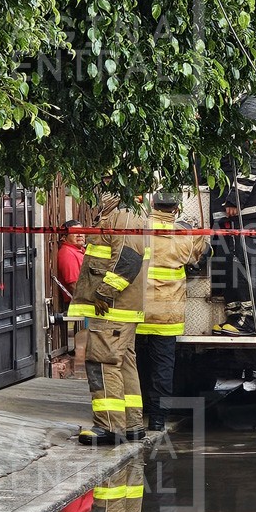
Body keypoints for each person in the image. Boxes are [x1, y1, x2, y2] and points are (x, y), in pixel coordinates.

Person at [67, 190, 150, 446]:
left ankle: (109, 427)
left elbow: (128, 258)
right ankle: (131, 423)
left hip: (112, 307)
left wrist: (105, 291)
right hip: (117, 307)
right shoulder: (118, 211)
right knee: (123, 363)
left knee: (102, 363)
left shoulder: (124, 213)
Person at [136, 192, 208, 431]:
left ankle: (135, 413)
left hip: (137, 311)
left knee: (133, 364)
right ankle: (157, 419)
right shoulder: (183, 236)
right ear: (175, 209)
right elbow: (202, 254)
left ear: (153, 205)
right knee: (163, 367)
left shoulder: (139, 229)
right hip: (168, 314)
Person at [210, 95, 256, 336]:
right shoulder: (236, 107)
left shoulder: (250, 109)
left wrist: (236, 197)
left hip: (250, 204)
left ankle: (254, 322)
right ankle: (239, 316)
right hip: (235, 204)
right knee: (232, 260)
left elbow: (252, 158)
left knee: (252, 260)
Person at [55, 219, 85, 310]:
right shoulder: (67, 254)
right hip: (80, 305)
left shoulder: (81, 250)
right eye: (75, 232)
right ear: (64, 237)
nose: (79, 235)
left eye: (81, 232)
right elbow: (74, 285)